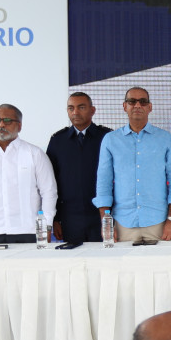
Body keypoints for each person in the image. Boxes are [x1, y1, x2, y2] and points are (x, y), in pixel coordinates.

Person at [94, 87, 171, 244]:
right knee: (124, 261)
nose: (137, 105)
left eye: (143, 102)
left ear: (150, 107)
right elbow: (103, 183)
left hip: (158, 222)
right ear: (124, 106)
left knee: (162, 261)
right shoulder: (111, 140)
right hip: (123, 223)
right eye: (132, 101)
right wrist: (106, 223)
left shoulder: (165, 139)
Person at [0, 103, 58, 244]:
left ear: (19, 126)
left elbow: (49, 191)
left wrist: (47, 225)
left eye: (7, 121)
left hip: (29, 231)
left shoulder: (34, 154)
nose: (1, 124)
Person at [47, 92, 112, 243]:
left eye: (81, 107)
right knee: (73, 257)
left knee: (106, 256)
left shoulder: (107, 137)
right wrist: (55, 219)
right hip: (70, 218)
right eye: (71, 108)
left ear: (92, 110)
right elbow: (51, 182)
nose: (75, 112)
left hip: (102, 215)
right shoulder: (58, 141)